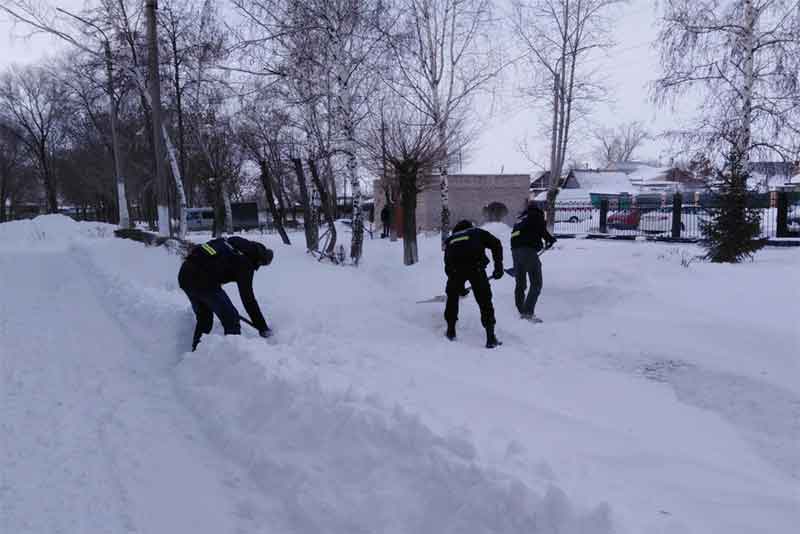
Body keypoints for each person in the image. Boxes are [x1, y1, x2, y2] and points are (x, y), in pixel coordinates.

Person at [178, 236, 273, 351]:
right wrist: (262, 327)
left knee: (205, 319)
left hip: (185, 275)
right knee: (231, 319)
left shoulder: (232, 242)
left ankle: (195, 356)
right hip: (203, 281)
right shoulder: (245, 263)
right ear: (260, 259)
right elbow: (248, 300)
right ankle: (233, 358)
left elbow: (215, 263)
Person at [443, 220, 504, 348]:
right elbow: (496, 243)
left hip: (455, 270)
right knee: (484, 301)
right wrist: (498, 267)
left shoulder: (450, 240)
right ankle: (490, 337)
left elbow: (447, 267)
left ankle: (450, 331)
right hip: (476, 268)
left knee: (452, 298)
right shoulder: (476, 232)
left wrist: (458, 288)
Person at [510, 202, 557, 322]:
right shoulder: (535, 215)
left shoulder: (521, 219)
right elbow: (541, 229)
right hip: (528, 251)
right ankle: (527, 313)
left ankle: (521, 311)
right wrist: (550, 239)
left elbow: (521, 234)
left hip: (515, 251)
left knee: (520, 284)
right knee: (536, 283)